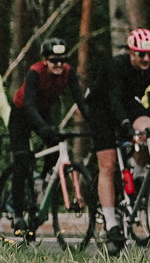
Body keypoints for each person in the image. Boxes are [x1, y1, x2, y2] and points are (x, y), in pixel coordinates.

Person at [91, 29, 150, 249]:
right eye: (142, 54)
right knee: (108, 164)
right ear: (132, 53)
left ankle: (138, 174)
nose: (147, 59)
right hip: (101, 107)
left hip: (127, 102)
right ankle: (111, 222)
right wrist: (125, 127)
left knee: (148, 129)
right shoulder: (117, 65)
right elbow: (113, 99)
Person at [12, 37, 95, 211]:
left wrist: (94, 122)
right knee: (22, 161)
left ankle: (42, 181)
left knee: (56, 145)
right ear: (45, 60)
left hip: (43, 110)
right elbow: (29, 105)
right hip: (22, 113)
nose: (59, 65)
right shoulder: (35, 73)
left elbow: (80, 101)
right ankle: (18, 212)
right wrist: (42, 127)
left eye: (63, 60)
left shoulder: (68, 72)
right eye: (54, 61)